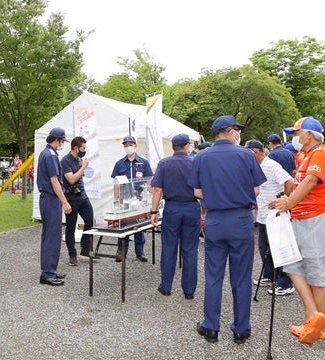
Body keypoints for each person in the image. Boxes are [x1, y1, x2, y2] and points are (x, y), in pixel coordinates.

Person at [188, 115, 266, 344]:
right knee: (241, 277)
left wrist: (215, 194)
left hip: (214, 220)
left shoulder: (201, 156)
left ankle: (211, 326)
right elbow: (257, 191)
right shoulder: (245, 155)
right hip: (241, 219)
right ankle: (241, 329)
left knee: (213, 275)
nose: (238, 133)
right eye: (237, 130)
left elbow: (196, 192)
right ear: (231, 131)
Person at [269, 116, 325, 344]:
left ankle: (321, 327)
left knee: (316, 275)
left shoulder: (321, 154)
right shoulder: (305, 156)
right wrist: (285, 201)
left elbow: (310, 183)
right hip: (301, 219)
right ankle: (313, 317)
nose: (294, 138)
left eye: (296, 133)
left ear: (308, 135)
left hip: (317, 218)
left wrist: (288, 203)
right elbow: (299, 186)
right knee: (293, 267)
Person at [150, 133, 201, 299]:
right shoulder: (195, 162)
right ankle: (189, 291)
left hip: (172, 208)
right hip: (192, 207)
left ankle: (166, 286)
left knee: (169, 248)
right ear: (187, 146)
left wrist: (153, 211)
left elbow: (158, 189)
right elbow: (201, 190)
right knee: (190, 249)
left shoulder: (164, 163)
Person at [244, 140, 295, 296]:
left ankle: (285, 282)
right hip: (263, 215)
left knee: (278, 249)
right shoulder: (254, 167)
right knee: (264, 248)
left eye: (251, 152)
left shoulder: (271, 165)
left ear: (259, 152)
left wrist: (285, 199)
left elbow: (289, 181)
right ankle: (268, 275)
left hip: (275, 214)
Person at [37, 127, 72, 286]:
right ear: (58, 140)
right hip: (51, 199)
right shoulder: (51, 155)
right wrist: (64, 201)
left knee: (49, 236)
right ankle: (48, 273)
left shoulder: (45, 153)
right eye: (62, 140)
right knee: (52, 237)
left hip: (47, 199)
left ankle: (49, 270)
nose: (62, 143)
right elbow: (54, 180)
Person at [111, 135, 154, 262]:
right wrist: (116, 200)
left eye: (131, 144)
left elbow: (149, 181)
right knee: (123, 225)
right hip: (124, 199)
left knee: (139, 225)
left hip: (139, 198)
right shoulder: (119, 163)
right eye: (126, 145)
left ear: (135, 146)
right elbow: (116, 182)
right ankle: (121, 251)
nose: (128, 147)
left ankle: (139, 252)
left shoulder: (143, 162)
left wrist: (150, 197)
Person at [61, 136, 95, 266]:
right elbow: (71, 179)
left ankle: (85, 250)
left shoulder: (79, 159)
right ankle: (72, 255)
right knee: (71, 227)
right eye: (83, 148)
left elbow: (78, 175)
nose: (84, 151)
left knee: (90, 221)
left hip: (82, 195)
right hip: (71, 198)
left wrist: (81, 171)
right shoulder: (65, 161)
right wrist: (83, 168)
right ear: (76, 148)